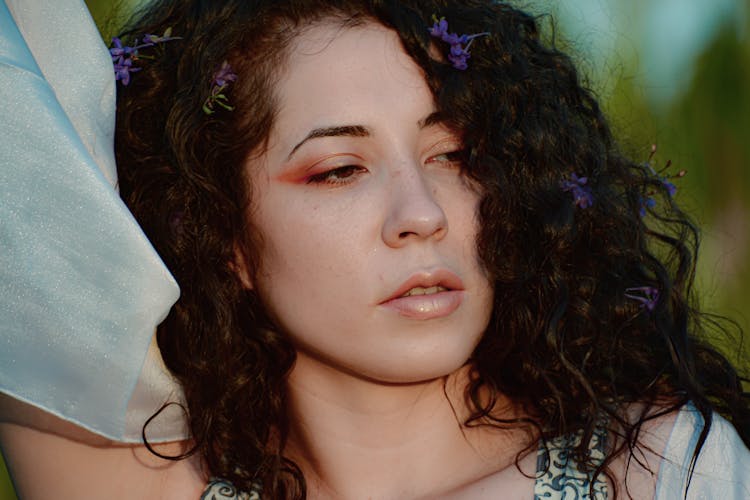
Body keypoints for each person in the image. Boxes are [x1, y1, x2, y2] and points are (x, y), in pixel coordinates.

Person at [1, 0, 748, 498]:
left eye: (454, 156)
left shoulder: (664, 470)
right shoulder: (148, 483)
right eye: (339, 171)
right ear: (223, 236)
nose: (420, 215)